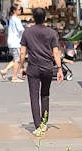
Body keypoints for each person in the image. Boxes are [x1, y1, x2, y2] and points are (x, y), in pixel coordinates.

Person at [19, 7, 63, 136]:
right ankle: (44, 123)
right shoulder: (51, 32)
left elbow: (22, 52)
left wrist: (22, 67)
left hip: (33, 67)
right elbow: (56, 52)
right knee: (45, 95)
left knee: (34, 96)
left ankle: (37, 125)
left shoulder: (27, 32)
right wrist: (59, 68)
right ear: (45, 17)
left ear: (33, 17)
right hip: (47, 67)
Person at [0, 4, 27, 82]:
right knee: (17, 60)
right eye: (19, 9)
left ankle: (5, 70)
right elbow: (22, 30)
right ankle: (14, 77)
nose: (20, 10)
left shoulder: (12, 19)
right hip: (16, 41)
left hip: (12, 41)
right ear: (14, 10)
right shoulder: (16, 20)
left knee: (15, 59)